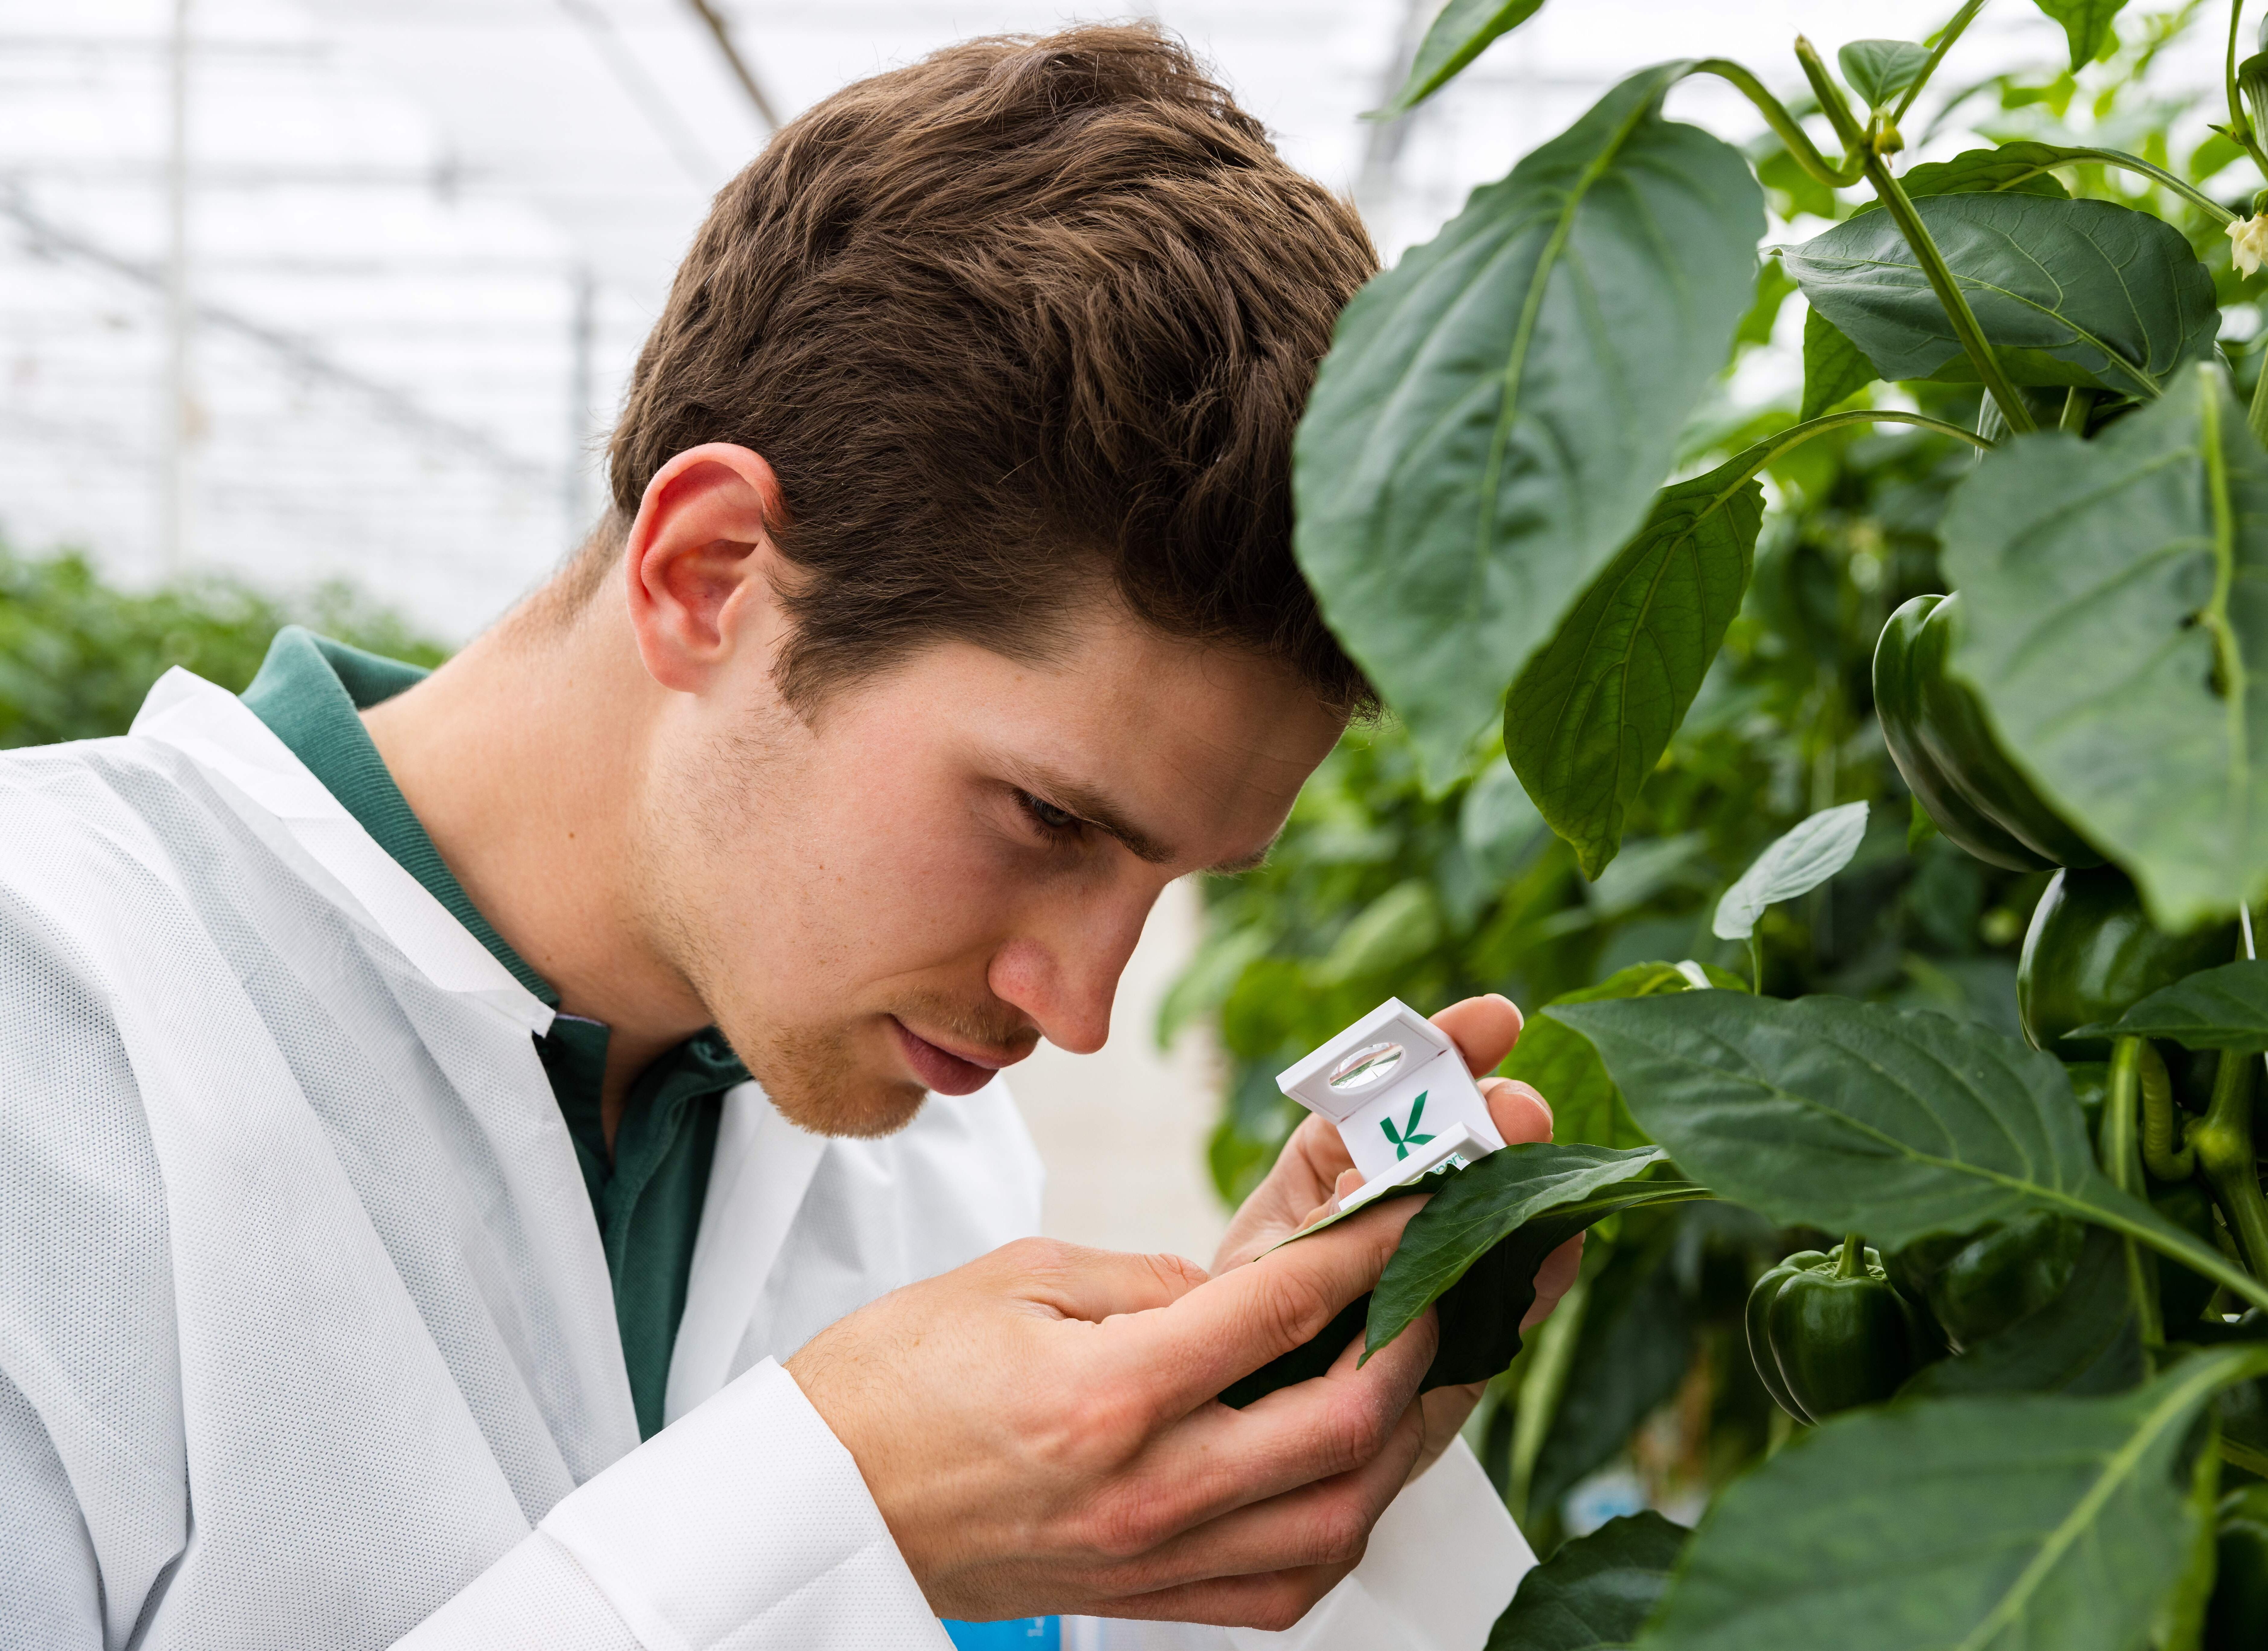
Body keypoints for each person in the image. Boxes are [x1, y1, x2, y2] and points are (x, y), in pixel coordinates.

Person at [0, 24, 1573, 1650]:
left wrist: (1193, 1498)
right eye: (1048, 818)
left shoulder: (914, 1136)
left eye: (1167, 878)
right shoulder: (52, 1013)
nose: (1080, 1007)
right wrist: (832, 1508)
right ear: (711, 575)